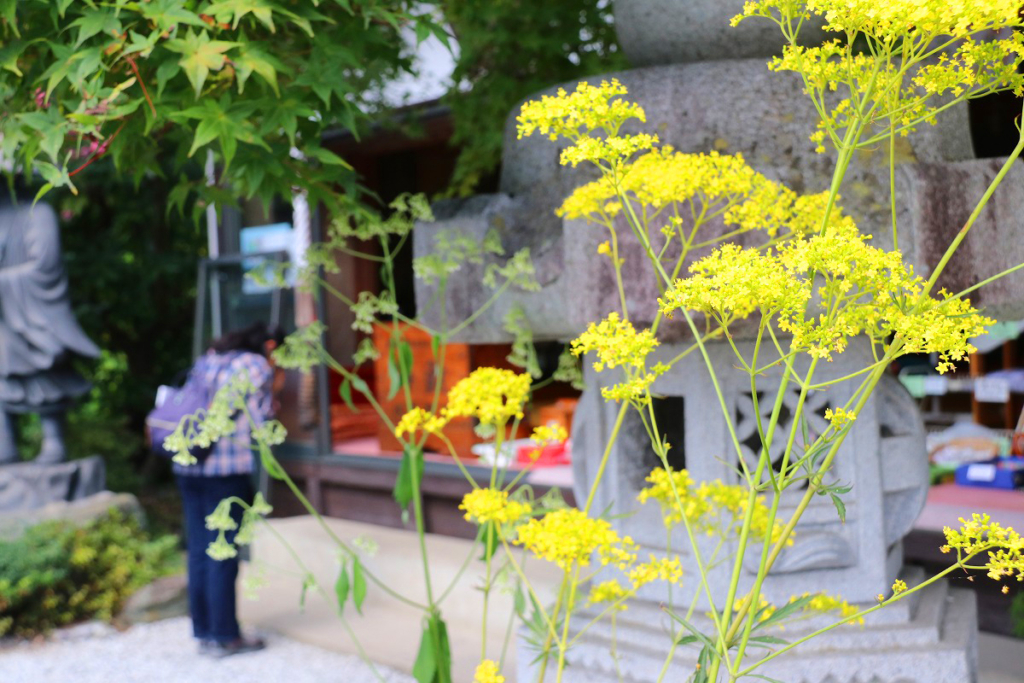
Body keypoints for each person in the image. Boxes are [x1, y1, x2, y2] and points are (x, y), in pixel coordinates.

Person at [174, 322, 284, 657]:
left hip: (187, 462)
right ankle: (225, 635)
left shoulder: (208, 358)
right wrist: (275, 384)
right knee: (222, 549)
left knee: (198, 549)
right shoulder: (254, 366)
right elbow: (261, 421)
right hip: (224, 468)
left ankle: (205, 631)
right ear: (268, 345)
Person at [0, 202, 100, 464]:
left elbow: (45, 266)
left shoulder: (37, 212)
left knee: (43, 375)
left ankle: (53, 441)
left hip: (30, 316)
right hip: (2, 323)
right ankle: (4, 443)